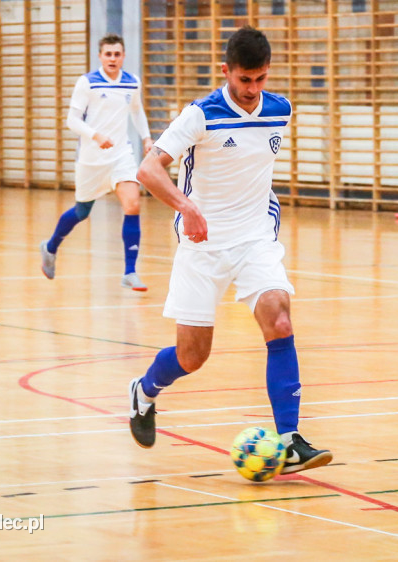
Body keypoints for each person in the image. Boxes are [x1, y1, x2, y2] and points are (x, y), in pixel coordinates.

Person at [128, 26, 332, 474]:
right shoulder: (200, 115)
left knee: (279, 319)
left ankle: (290, 439)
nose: (251, 89)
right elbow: (147, 170)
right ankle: (144, 392)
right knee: (192, 356)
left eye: (259, 79)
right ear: (226, 71)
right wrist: (187, 207)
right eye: (244, 80)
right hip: (203, 246)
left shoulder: (280, 110)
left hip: (256, 239)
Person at [40, 34, 152, 290]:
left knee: (133, 204)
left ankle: (130, 272)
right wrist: (95, 135)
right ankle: (50, 246)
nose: (113, 59)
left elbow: (136, 111)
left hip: (121, 155)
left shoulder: (132, 82)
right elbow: (72, 120)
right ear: (100, 56)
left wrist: (146, 138)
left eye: (117, 54)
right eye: (108, 54)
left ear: (123, 56)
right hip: (91, 159)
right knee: (82, 212)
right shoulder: (87, 83)